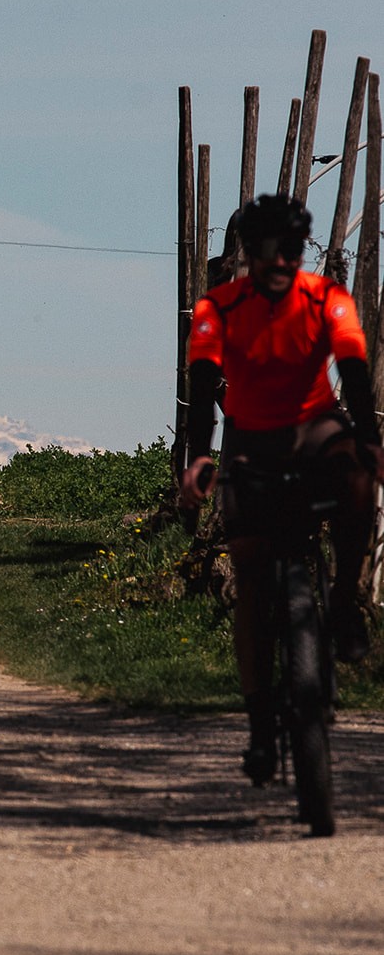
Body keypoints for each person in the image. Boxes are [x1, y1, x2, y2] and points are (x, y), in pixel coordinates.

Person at [181, 192, 384, 784]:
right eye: (271, 248)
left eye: (292, 249)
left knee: (356, 473)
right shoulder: (216, 308)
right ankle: (258, 723)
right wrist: (197, 461)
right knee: (249, 575)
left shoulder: (328, 300)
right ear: (251, 250)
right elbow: (200, 391)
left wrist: (370, 443)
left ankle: (345, 603)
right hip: (251, 440)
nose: (282, 259)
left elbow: (355, 374)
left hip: (313, 427)